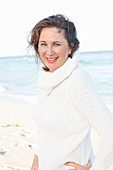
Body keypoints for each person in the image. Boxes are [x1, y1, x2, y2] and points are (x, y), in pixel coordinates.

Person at [29, 14, 113, 170]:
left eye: (56, 44)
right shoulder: (49, 77)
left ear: (71, 47)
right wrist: (37, 155)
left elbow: (110, 132)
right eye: (43, 44)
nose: (49, 52)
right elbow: (48, 129)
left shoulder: (77, 80)